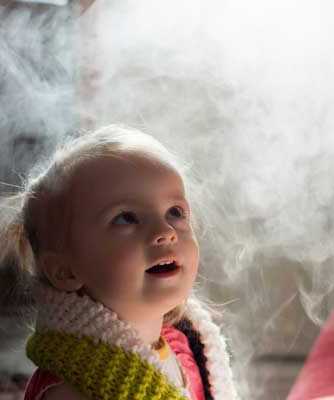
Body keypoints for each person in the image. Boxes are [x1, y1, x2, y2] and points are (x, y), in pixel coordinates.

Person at [0, 125, 238, 400]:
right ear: (65, 271)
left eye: (174, 212)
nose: (165, 231)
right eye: (126, 218)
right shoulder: (72, 388)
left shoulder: (186, 347)